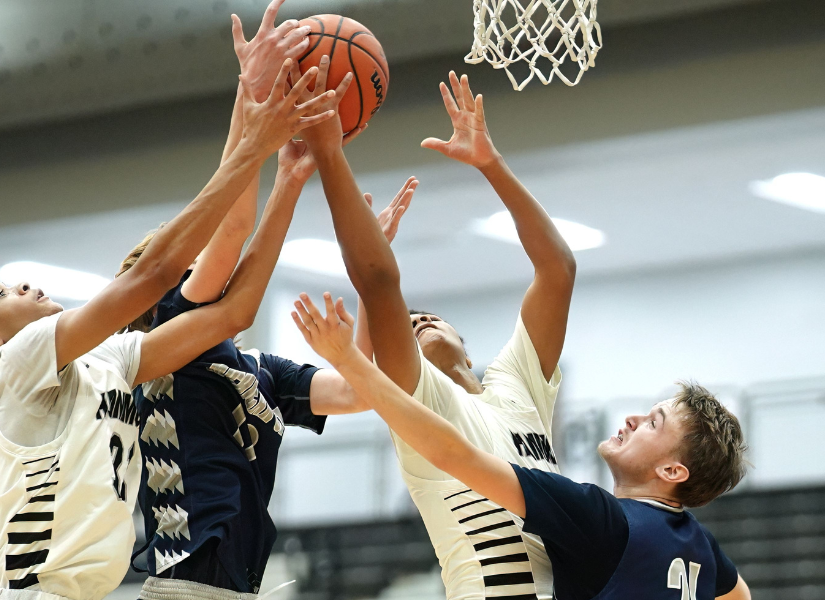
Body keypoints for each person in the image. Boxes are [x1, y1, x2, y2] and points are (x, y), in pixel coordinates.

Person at [0, 54, 336, 600]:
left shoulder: (108, 360)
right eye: (1, 293)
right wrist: (251, 139)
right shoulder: (15, 363)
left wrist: (281, 165)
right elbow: (156, 273)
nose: (23, 286)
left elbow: (231, 314)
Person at [117, 61, 412, 600]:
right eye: (193, 252)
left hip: (235, 585)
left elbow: (357, 391)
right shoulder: (167, 331)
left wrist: (372, 273)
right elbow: (233, 230)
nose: (206, 253)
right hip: (188, 580)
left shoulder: (258, 370)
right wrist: (263, 131)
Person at [300, 71, 576, 599]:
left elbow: (558, 269)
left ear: (466, 345)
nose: (417, 320)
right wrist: (329, 153)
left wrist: (490, 163)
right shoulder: (420, 398)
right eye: (406, 325)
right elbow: (380, 282)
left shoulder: (519, 386)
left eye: (429, 316)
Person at [290, 293, 751, 600]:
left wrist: (349, 359)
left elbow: (453, 455)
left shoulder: (601, 515)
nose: (632, 417)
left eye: (654, 421)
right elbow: (740, 596)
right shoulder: (698, 544)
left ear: (673, 472)